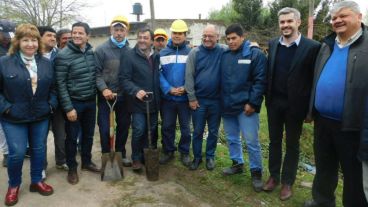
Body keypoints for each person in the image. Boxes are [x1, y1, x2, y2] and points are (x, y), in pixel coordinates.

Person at [304, 1, 368, 207]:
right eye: (333, 18)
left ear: (359, 17)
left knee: (353, 175)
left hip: (352, 125)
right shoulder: (327, 45)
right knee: (324, 167)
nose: (337, 20)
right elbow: (316, 78)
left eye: (343, 16)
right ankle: (322, 201)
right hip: (323, 121)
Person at [263, 7, 320, 201]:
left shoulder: (312, 47)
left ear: (298, 22)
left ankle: (288, 182)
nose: (285, 25)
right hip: (274, 103)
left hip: (296, 106)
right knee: (274, 142)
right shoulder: (273, 44)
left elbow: (314, 81)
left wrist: (311, 110)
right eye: (282, 22)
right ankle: (273, 176)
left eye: (289, 21)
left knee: (292, 145)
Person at [0, 23, 57, 206]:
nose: (30, 44)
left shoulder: (46, 63)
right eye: (25, 40)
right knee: (16, 153)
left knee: (39, 150)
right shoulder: (4, 62)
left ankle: (36, 181)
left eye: (33, 40)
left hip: (40, 115)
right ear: (17, 42)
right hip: (13, 117)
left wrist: (50, 105)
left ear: (38, 42)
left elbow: (54, 89)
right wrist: (6, 108)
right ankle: (14, 185)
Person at [220, 23, 266, 192]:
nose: (231, 42)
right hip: (227, 106)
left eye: (234, 38)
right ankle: (237, 163)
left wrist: (253, 103)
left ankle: (256, 172)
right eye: (228, 39)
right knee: (232, 138)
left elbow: (260, 81)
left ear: (242, 37)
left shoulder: (255, 55)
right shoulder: (224, 56)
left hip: (246, 108)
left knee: (252, 141)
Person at [55, 22, 99, 185]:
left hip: (90, 102)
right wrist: (68, 108)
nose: (77, 36)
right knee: (72, 137)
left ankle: (87, 162)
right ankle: (72, 167)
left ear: (88, 35)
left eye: (81, 33)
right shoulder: (63, 55)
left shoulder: (90, 52)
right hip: (74, 103)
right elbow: (60, 83)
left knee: (88, 135)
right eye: (75, 33)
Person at [184, 24, 225, 171]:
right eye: (205, 36)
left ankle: (210, 157)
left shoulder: (223, 51)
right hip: (199, 101)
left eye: (210, 36)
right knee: (197, 131)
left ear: (218, 37)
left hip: (217, 101)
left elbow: (239, 48)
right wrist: (191, 98)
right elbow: (188, 76)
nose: (207, 39)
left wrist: (251, 46)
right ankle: (197, 157)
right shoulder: (195, 53)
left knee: (213, 131)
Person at [120, 28, 160, 171]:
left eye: (145, 37)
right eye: (140, 37)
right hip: (137, 102)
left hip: (154, 101)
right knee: (139, 129)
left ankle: (146, 155)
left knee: (152, 129)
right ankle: (136, 158)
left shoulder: (156, 56)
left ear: (151, 40)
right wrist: (136, 91)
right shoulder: (129, 56)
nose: (142, 40)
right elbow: (124, 79)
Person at [95, 15, 132, 167]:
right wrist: (104, 89)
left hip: (123, 97)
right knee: (104, 129)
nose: (118, 33)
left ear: (126, 32)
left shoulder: (130, 51)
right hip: (106, 97)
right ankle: (106, 155)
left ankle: (121, 153)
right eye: (116, 29)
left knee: (123, 126)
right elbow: (96, 73)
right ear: (111, 30)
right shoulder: (101, 49)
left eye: (121, 30)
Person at [159, 19, 192, 167]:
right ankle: (168, 151)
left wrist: (186, 87)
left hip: (185, 99)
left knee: (185, 129)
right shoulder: (163, 52)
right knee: (167, 126)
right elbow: (158, 74)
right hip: (168, 98)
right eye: (175, 33)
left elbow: (194, 74)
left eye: (180, 33)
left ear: (185, 35)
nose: (177, 36)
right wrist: (169, 89)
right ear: (171, 34)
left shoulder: (191, 52)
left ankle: (184, 152)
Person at [0, 19, 15, 168]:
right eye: (4, 34)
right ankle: (5, 153)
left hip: (13, 90)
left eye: (10, 34)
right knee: (2, 126)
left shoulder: (14, 47)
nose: (7, 37)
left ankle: (22, 149)